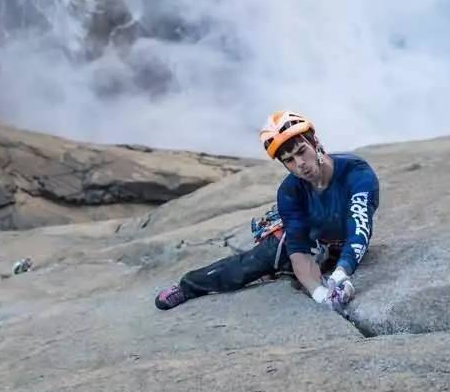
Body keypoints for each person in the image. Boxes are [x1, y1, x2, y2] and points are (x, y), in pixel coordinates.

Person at [154, 111, 380, 312]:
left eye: (302, 151)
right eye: (289, 160)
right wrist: (320, 295)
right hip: (312, 236)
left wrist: (341, 273)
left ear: (315, 143)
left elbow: (359, 226)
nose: (299, 164)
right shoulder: (290, 191)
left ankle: (319, 264)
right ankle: (188, 286)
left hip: (342, 243)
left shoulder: (356, 173)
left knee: (332, 253)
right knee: (251, 264)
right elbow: (298, 248)